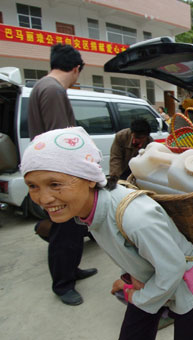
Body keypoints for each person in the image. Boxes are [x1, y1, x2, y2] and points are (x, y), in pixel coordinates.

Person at [21, 127, 193, 340]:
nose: (44, 198)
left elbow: (173, 268)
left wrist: (137, 296)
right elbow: (128, 248)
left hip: (186, 283)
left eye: (55, 184)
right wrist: (129, 278)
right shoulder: (90, 211)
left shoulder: (135, 217)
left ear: (90, 178)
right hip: (148, 279)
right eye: (33, 186)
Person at [28, 43, 97, 306]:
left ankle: (71, 270)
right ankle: (62, 284)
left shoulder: (42, 86)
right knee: (64, 230)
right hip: (58, 176)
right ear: (76, 68)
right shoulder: (54, 90)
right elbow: (62, 140)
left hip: (54, 173)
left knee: (74, 228)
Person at [108, 118, 153, 187]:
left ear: (147, 136)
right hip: (122, 170)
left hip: (137, 173)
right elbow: (116, 158)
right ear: (132, 133)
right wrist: (114, 177)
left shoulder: (150, 142)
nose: (136, 141)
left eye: (141, 139)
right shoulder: (121, 136)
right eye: (136, 137)